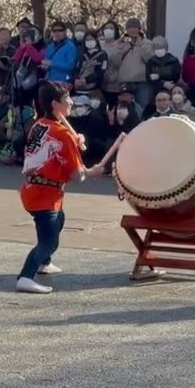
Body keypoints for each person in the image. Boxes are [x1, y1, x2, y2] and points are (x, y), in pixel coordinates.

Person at [15, 81, 114, 294]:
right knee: (48, 241)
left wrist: (76, 142)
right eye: (67, 99)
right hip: (45, 194)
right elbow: (78, 175)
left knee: (59, 220)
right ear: (54, 104)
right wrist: (94, 171)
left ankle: (44, 263)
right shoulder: (62, 134)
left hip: (34, 189)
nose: (71, 102)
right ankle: (25, 276)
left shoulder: (39, 124)